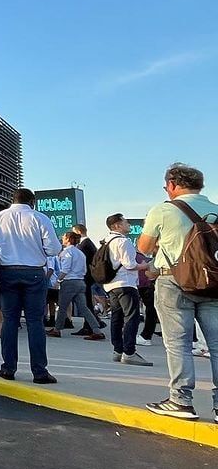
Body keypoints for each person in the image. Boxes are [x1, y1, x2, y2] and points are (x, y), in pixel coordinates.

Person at [137, 163, 218, 421]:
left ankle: (181, 401)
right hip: (212, 282)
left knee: (178, 344)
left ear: (172, 184)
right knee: (216, 345)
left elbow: (144, 246)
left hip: (173, 281)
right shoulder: (216, 210)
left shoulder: (163, 210)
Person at [0, 188, 61, 383]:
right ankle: (40, 372)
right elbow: (54, 249)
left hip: (7, 272)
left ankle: (8, 368)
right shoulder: (40, 218)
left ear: (13, 199)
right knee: (35, 321)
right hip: (34, 273)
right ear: (32, 202)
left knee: (10, 320)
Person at [102, 214, 152, 366]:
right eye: (125, 222)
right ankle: (129, 352)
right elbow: (130, 265)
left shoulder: (106, 241)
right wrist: (145, 265)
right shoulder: (123, 241)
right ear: (117, 225)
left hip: (111, 284)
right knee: (132, 316)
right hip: (125, 283)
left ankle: (118, 350)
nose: (128, 224)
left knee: (116, 317)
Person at [49, 232, 104, 340]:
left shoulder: (67, 253)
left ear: (68, 239)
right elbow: (84, 269)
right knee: (84, 308)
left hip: (69, 282)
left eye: (64, 237)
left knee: (62, 307)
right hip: (80, 282)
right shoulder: (80, 253)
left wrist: (58, 280)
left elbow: (65, 269)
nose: (62, 238)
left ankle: (57, 329)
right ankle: (96, 329)